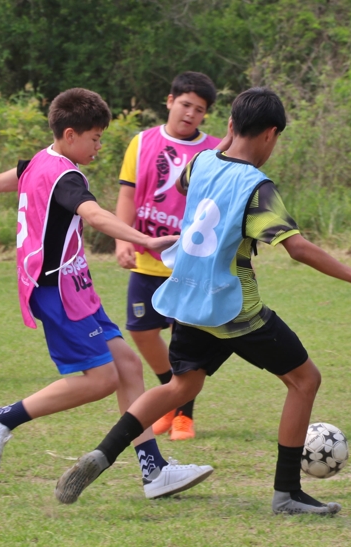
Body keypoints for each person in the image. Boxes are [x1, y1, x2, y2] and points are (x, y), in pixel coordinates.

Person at [54, 87, 351, 514]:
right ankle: (287, 494)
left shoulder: (200, 162)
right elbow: (297, 248)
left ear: (231, 125)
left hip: (188, 298)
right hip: (235, 309)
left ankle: (101, 454)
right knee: (305, 380)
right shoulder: (257, 188)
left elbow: (187, 181)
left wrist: (227, 142)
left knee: (182, 385)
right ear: (271, 134)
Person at [0, 88, 212, 499]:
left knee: (129, 367)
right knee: (103, 379)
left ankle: (154, 470)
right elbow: (94, 215)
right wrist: (145, 240)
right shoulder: (66, 176)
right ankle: (3, 417)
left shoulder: (38, 162)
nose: (98, 146)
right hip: (57, 291)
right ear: (71, 134)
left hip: (75, 288)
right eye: (95, 138)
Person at [115, 72, 221, 441]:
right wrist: (122, 239)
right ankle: (170, 396)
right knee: (141, 331)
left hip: (192, 262)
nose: (190, 113)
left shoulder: (214, 152)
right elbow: (127, 194)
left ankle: (184, 416)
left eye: (199, 109)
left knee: (184, 341)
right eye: (185, 104)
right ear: (170, 101)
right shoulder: (142, 142)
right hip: (148, 258)